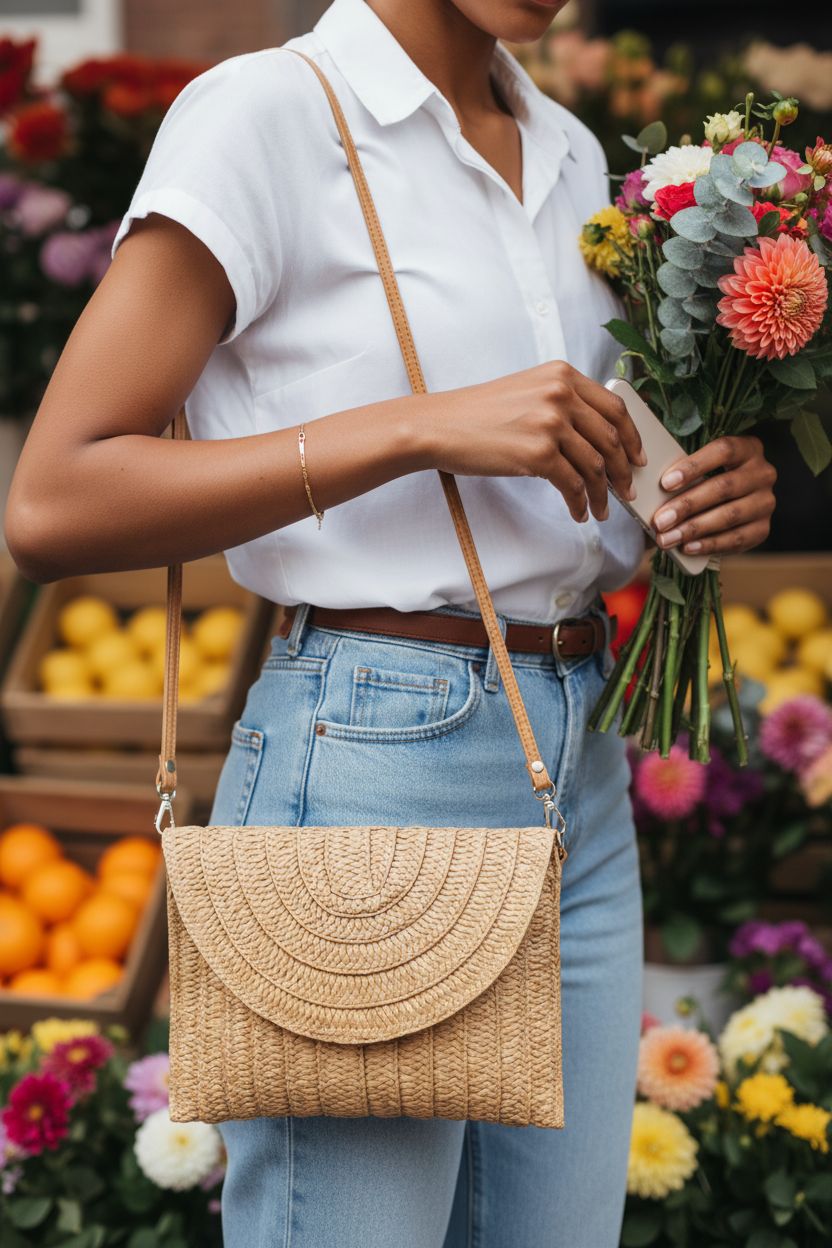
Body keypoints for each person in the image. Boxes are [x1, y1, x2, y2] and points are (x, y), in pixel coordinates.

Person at [4, 1, 777, 1244]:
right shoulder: (268, 116)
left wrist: (694, 491)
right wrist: (418, 425)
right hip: (374, 754)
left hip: (576, 758)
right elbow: (53, 499)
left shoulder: (574, 154)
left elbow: (578, 483)